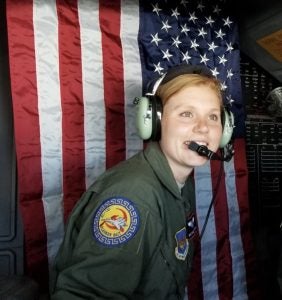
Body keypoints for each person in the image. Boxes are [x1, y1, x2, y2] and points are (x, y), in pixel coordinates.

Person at [50, 64, 231, 299]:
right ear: (154, 122)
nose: (203, 128)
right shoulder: (133, 195)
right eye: (186, 114)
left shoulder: (181, 183)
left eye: (213, 116)